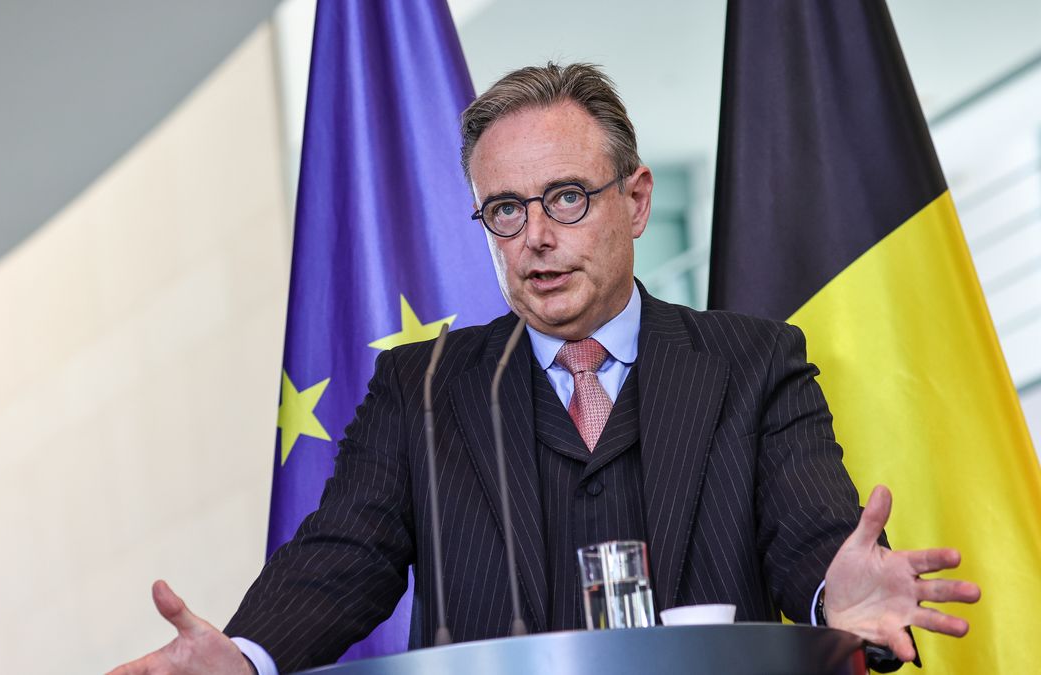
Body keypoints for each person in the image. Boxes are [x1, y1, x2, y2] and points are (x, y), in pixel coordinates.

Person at [109, 63, 979, 675]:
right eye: (504, 209)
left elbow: (811, 537)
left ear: (636, 201)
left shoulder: (752, 362)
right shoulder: (423, 390)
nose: (536, 236)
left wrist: (841, 587)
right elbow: (340, 558)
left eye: (566, 197)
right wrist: (246, 655)